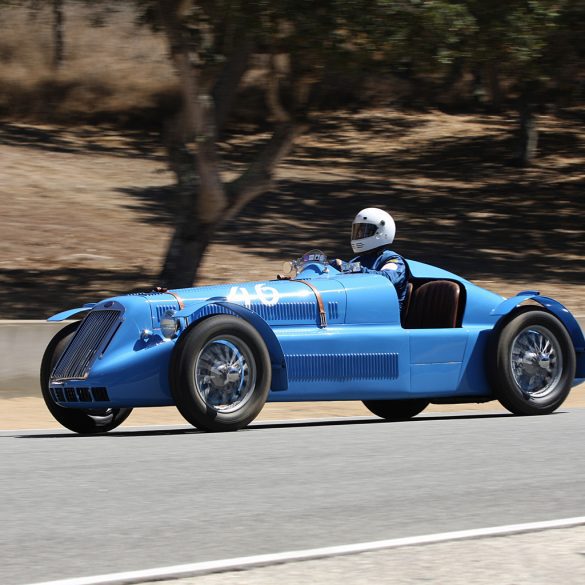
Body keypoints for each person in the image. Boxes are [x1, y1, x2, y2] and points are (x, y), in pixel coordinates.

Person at [331, 208, 409, 310]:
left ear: (381, 232)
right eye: (358, 231)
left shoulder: (394, 260)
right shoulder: (357, 260)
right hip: (360, 308)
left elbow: (386, 279)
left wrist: (348, 267)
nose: (359, 235)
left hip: (383, 314)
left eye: (365, 231)